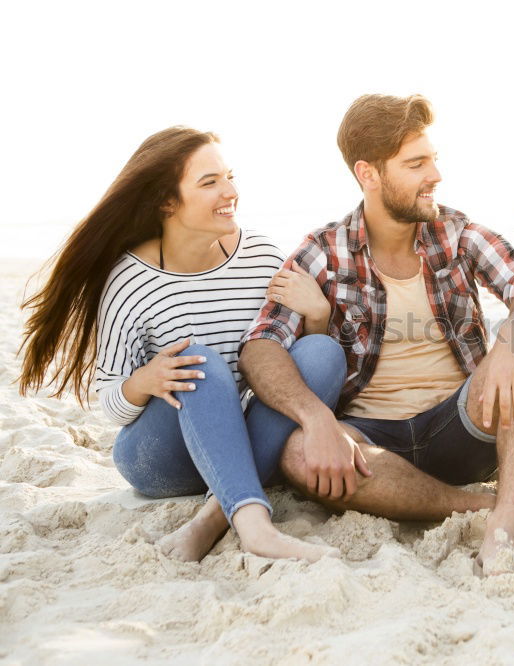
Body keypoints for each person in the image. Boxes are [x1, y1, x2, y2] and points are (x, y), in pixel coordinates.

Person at [238, 94, 514, 575]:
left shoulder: (454, 231)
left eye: (434, 160)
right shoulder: (323, 249)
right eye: (416, 164)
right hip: (371, 443)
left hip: (462, 423)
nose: (435, 174)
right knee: (300, 451)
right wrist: (316, 418)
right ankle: (470, 505)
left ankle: (506, 519)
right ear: (368, 173)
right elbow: (261, 346)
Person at [18, 127, 344, 563]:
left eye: (230, 176)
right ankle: (256, 526)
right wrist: (144, 381)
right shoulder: (131, 280)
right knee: (199, 363)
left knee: (323, 353)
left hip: (248, 442)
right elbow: (111, 402)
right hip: (163, 457)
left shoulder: (263, 256)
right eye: (209, 182)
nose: (230, 191)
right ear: (167, 202)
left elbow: (294, 366)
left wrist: (318, 317)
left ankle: (216, 519)